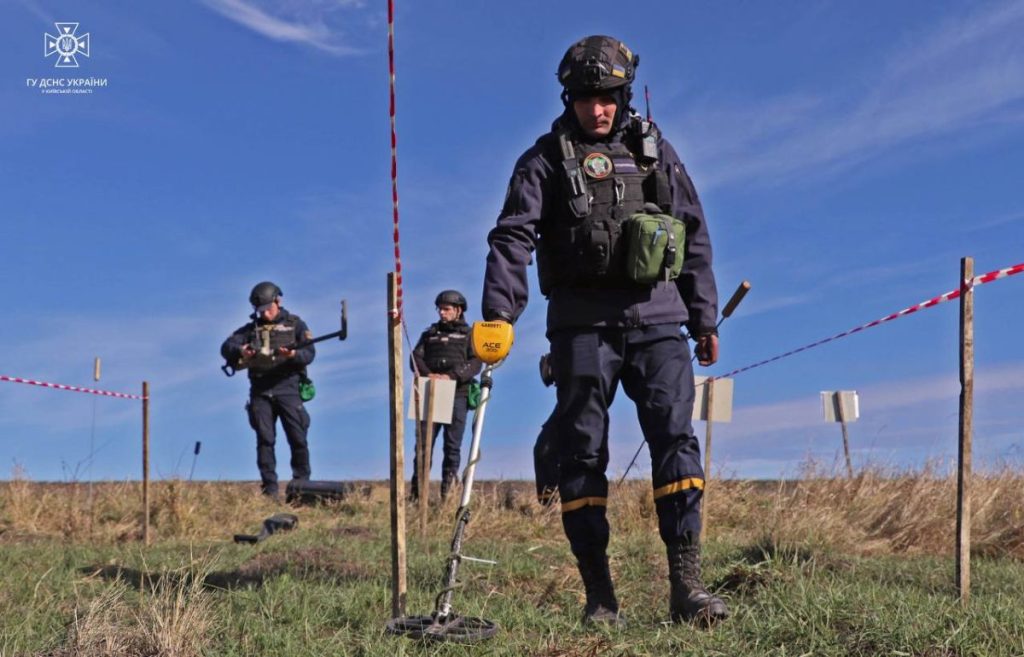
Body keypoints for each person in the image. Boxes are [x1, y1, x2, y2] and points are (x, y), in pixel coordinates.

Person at [481, 35, 727, 626]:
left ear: (624, 95)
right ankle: (599, 597)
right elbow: (513, 237)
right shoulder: (542, 160)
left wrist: (704, 315)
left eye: (610, 96)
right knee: (582, 451)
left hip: (659, 321)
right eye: (588, 97)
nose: (600, 108)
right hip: (581, 327)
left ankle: (686, 587)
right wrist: (497, 315)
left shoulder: (655, 151)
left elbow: (690, 231)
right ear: (570, 97)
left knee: (676, 439)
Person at [221, 281, 316, 499]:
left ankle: (301, 488)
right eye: (260, 310)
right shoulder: (249, 330)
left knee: (298, 438)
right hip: (260, 390)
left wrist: (293, 356)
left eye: (268, 308)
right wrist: (241, 350)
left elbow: (309, 354)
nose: (265, 314)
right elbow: (226, 347)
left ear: (278, 301)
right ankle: (270, 490)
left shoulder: (296, 325)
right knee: (265, 440)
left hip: (288, 387)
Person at [410, 290, 483, 500]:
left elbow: (475, 363)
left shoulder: (469, 335)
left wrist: (451, 377)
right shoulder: (429, 335)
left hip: (457, 395)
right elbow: (414, 358)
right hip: (429, 392)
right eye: (440, 309)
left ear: (458, 310)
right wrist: (428, 374)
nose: (442, 313)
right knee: (423, 447)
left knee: (452, 448)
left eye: (446, 309)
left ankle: (447, 497)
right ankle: (417, 497)